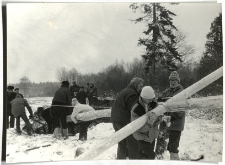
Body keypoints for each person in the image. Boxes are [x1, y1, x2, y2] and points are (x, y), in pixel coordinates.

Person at [110, 77, 144, 159]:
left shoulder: (126, 91)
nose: (141, 88)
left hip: (116, 121)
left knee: (122, 143)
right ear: (135, 85)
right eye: (140, 86)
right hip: (124, 122)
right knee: (133, 143)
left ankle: (120, 160)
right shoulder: (131, 94)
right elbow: (135, 109)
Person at [156, 71, 185, 160]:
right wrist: (159, 99)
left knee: (173, 146)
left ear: (178, 81)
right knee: (160, 143)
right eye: (171, 80)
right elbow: (160, 101)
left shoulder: (182, 92)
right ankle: (159, 159)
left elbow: (182, 107)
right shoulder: (166, 92)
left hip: (176, 124)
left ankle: (174, 160)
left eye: (175, 80)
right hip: (165, 122)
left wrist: (174, 116)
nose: (173, 82)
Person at [131, 86, 162, 159]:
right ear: (143, 97)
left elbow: (159, 117)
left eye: (152, 98)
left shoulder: (154, 104)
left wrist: (156, 120)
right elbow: (138, 128)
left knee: (147, 157)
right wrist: (149, 124)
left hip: (152, 136)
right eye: (149, 99)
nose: (151, 100)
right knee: (149, 156)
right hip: (142, 136)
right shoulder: (136, 109)